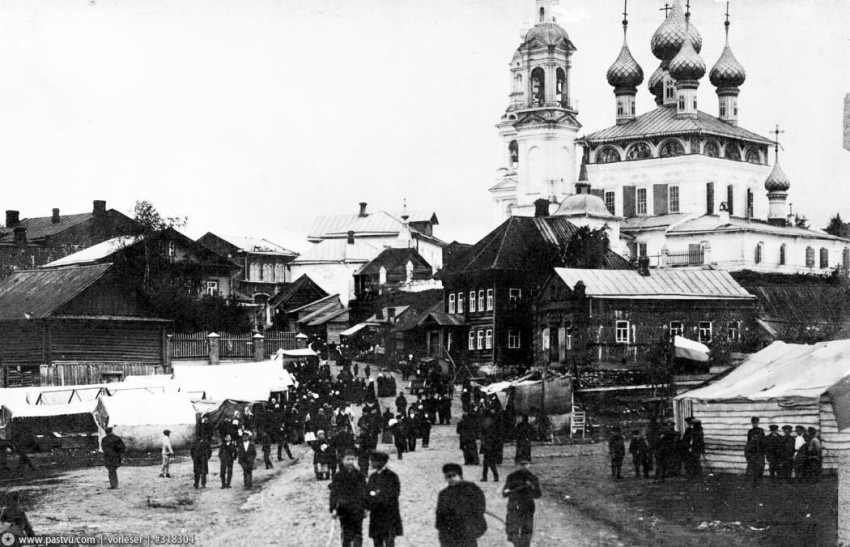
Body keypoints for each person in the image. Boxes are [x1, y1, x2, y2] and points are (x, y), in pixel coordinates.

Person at [435, 463, 487, 547]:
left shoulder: (471, 489)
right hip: (449, 535)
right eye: (448, 476)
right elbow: (439, 515)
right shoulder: (444, 494)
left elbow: (480, 507)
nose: (451, 479)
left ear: (460, 475)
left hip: (467, 533)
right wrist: (442, 532)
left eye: (453, 475)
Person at [329, 449, 367, 547]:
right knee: (346, 533)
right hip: (344, 509)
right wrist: (333, 508)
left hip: (358, 508)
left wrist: (366, 507)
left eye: (352, 459)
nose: (350, 461)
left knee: (358, 533)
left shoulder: (360, 475)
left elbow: (364, 491)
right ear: (343, 461)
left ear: (356, 460)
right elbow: (334, 493)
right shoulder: (338, 476)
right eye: (348, 459)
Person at [366, 451, 403, 547]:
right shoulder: (372, 477)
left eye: (373, 461)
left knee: (389, 541)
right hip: (376, 515)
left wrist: (376, 495)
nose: (371, 463)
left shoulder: (392, 476)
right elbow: (368, 493)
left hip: (389, 515)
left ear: (381, 462)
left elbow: (394, 494)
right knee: (377, 542)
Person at [503, 459, 542, 547]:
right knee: (514, 532)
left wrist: (533, 487)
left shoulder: (532, 478)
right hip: (515, 505)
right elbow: (505, 493)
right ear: (517, 465)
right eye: (521, 464)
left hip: (526, 506)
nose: (523, 467)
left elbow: (538, 495)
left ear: (529, 465)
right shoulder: (511, 477)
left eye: (525, 464)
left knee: (525, 532)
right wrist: (507, 491)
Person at [480, 410, 503, 482]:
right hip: (492, 445)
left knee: (487, 462)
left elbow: (482, 434)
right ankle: (493, 476)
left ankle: (486, 477)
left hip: (487, 445)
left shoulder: (485, 424)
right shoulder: (495, 424)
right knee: (489, 462)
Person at [744, 417, 766, 487]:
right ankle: (753, 482)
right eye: (753, 423)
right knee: (753, 468)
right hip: (752, 453)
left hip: (759, 452)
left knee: (760, 467)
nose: (755, 424)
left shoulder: (761, 430)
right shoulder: (750, 431)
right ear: (752, 423)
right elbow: (748, 442)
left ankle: (759, 482)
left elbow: (763, 441)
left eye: (756, 423)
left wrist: (763, 451)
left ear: (758, 423)